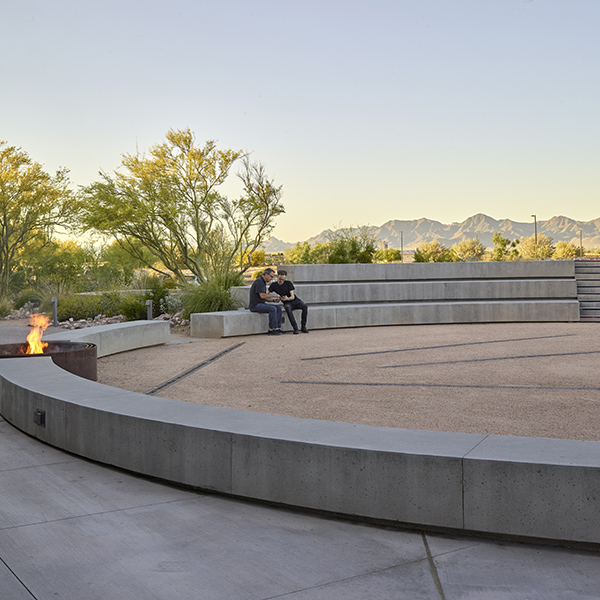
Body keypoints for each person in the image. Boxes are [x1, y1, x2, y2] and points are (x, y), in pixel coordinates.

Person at [268, 270, 309, 334]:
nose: (281, 281)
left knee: (305, 306)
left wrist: (287, 298)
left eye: (283, 279)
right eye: (280, 279)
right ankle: (295, 328)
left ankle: (303, 327)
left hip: (295, 301)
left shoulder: (288, 283)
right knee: (287, 308)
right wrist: (275, 298)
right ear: (277, 276)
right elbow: (266, 294)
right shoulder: (273, 285)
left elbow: (292, 296)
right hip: (287, 303)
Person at [249, 268, 283, 335]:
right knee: (272, 309)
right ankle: (271, 329)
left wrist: (273, 300)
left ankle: (277, 328)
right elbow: (262, 296)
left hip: (261, 303)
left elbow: (264, 298)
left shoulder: (263, 282)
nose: (272, 278)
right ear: (266, 274)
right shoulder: (259, 282)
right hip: (255, 306)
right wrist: (274, 295)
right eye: (271, 276)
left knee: (278, 308)